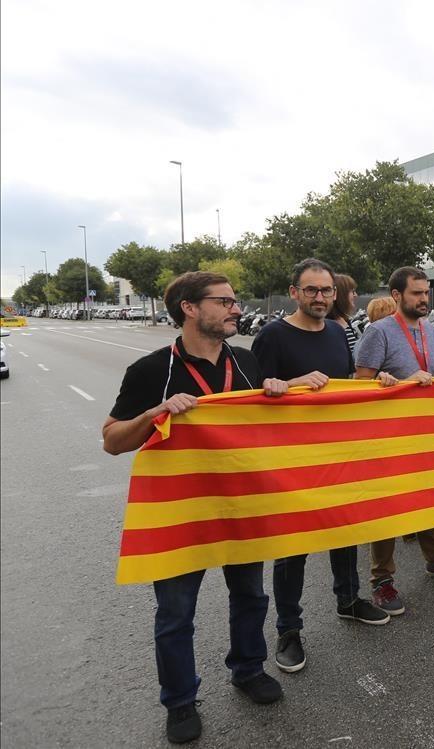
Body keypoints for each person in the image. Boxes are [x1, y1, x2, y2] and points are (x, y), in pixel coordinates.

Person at [102, 271, 293, 744]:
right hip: (181, 513)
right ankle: (180, 700)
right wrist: (154, 413)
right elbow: (111, 441)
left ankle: (248, 669)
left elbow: (274, 432)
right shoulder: (152, 370)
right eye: (224, 301)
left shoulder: (246, 362)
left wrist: (284, 394)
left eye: (234, 301)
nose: (235, 308)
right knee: (175, 613)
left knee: (251, 595)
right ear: (189, 308)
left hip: (240, 509)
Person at [251, 259, 391, 675]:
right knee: (292, 548)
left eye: (326, 291)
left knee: (345, 526)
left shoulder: (337, 331)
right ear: (294, 292)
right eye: (311, 290)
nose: (319, 297)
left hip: (336, 452)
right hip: (290, 459)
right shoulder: (272, 335)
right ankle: (288, 630)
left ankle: (348, 600)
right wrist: (283, 386)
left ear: (336, 294)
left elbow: (344, 386)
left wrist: (376, 382)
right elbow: (248, 398)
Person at [354, 266, 434, 613]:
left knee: (427, 497)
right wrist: (387, 382)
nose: (424, 299)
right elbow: (360, 385)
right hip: (388, 436)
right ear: (396, 296)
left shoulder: (432, 330)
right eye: (416, 293)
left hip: (424, 433)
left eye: (426, 293)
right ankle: (382, 580)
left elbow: (432, 374)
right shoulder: (378, 332)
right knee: (388, 506)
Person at [329, 273, 359, 354]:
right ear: (342, 295)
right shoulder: (329, 326)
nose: (355, 295)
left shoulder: (345, 321)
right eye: (352, 291)